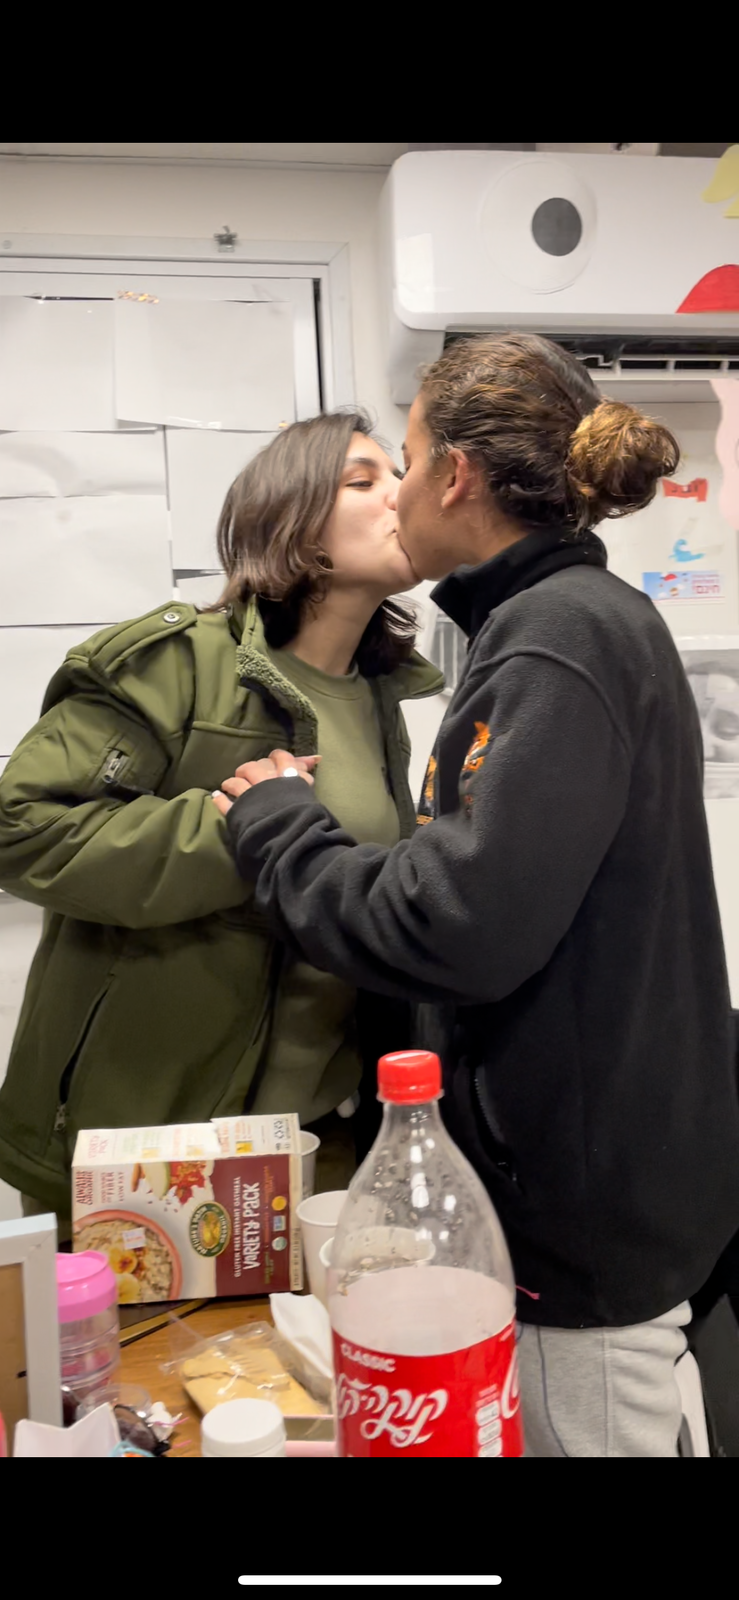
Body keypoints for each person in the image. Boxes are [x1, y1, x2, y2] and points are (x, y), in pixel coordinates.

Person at [216, 333, 739, 1458]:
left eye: (402, 463)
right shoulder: (556, 622)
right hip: (601, 1183)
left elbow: (456, 922)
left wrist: (276, 826)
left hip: (577, 1224)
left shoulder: (557, 635)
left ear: (455, 474)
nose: (396, 492)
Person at [0, 411, 441, 1235]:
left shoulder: (382, 696)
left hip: (318, 1142)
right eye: (363, 479)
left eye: (400, 472)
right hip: (151, 1144)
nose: (401, 492)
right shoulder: (180, 661)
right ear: (293, 519)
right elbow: (22, 827)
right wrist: (235, 832)